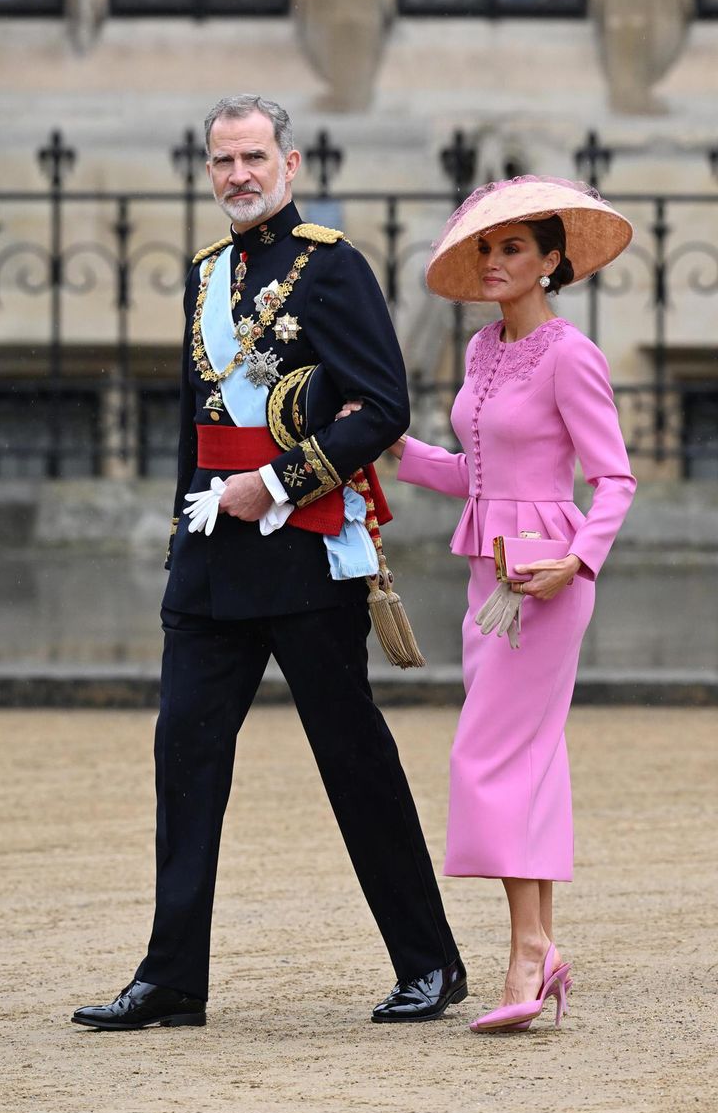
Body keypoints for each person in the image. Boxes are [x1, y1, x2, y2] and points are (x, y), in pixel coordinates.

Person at [71, 95, 465, 1031]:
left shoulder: (333, 269)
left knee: (352, 759)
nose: (238, 176)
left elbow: (382, 407)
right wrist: (185, 534)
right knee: (185, 761)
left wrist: (278, 484)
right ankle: (173, 979)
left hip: (303, 552)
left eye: (253, 157)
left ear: (288, 163)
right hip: (209, 565)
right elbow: (193, 429)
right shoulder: (206, 274)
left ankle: (430, 964)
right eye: (221, 162)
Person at [386, 176, 636, 1031]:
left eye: (514, 249)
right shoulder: (483, 352)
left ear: (552, 262)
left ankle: (528, 952)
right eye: (486, 249)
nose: (494, 262)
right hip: (487, 577)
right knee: (528, 759)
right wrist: (397, 449)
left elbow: (614, 480)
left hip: (549, 582)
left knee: (486, 755)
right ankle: (542, 948)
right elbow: (478, 474)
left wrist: (577, 560)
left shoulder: (573, 354)